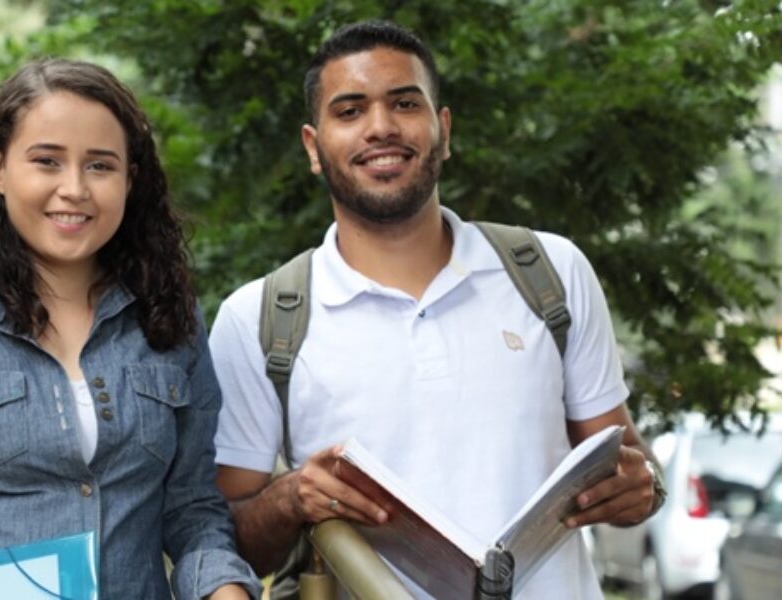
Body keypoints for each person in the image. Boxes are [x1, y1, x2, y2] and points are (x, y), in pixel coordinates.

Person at [209, 21, 663, 599]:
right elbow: (225, 536)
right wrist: (292, 497)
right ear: (313, 148)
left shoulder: (552, 272)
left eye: (404, 103)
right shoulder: (259, 318)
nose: (380, 127)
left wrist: (642, 486)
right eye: (349, 111)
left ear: (442, 130)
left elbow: (625, 465)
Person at [0, 58, 260, 600]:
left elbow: (192, 508)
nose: (74, 188)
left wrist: (225, 589)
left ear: (130, 179)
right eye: (47, 161)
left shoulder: (170, 320)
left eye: (100, 166)